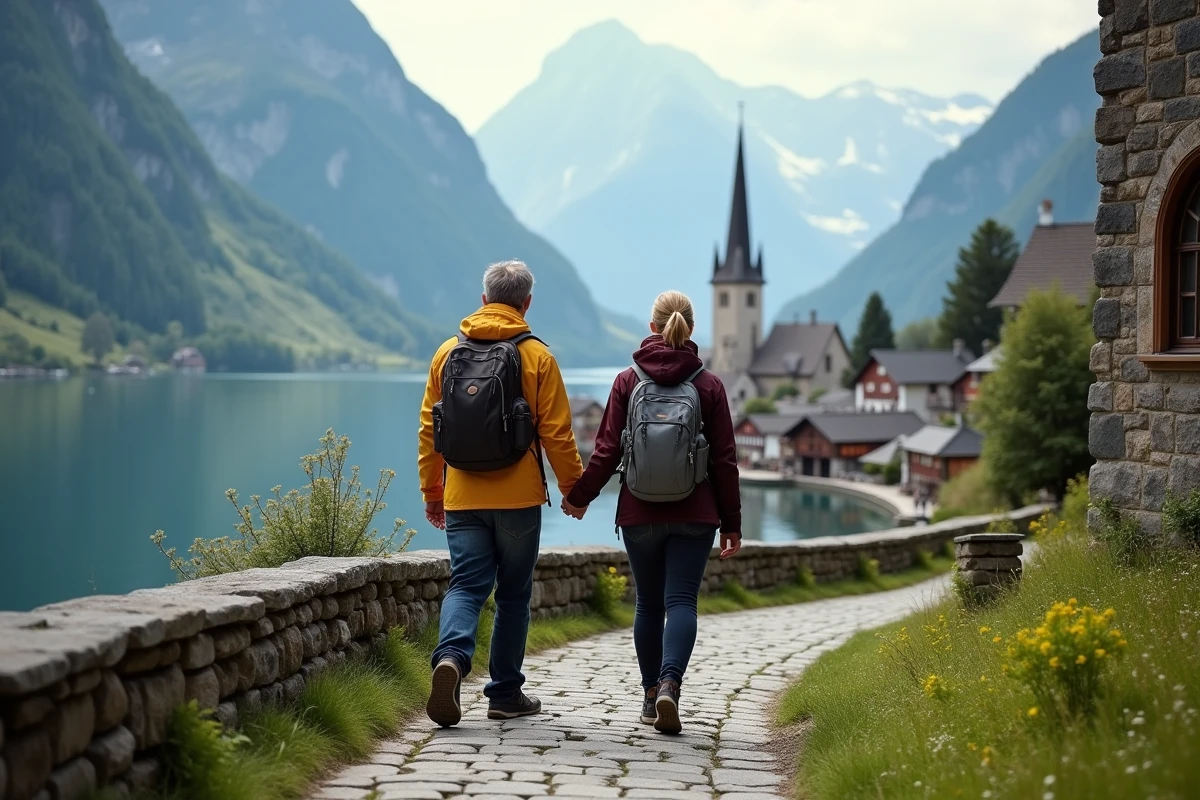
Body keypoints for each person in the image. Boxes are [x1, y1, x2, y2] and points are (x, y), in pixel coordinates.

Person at [561, 290, 741, 734]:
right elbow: (724, 461)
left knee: (648, 603)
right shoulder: (709, 385)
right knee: (681, 601)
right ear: (691, 329)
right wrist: (732, 525)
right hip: (695, 512)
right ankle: (669, 687)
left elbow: (605, 451)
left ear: (651, 327)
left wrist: (579, 497)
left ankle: (647, 696)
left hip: (639, 510)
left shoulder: (628, 380)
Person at [417, 260, 583, 727]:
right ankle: (504, 693)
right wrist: (574, 490)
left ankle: (450, 657)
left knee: (466, 585)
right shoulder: (538, 357)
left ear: (484, 298)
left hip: (462, 494)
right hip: (518, 498)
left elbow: (430, 429)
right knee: (513, 594)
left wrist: (432, 490)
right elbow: (558, 434)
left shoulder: (447, 353)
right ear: (527, 303)